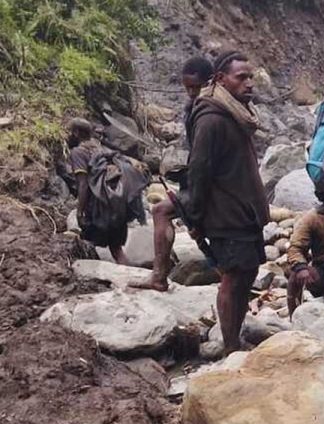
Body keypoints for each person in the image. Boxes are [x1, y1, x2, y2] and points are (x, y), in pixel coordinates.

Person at [185, 50, 269, 354]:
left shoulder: (235, 112)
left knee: (247, 274)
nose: (249, 84)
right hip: (227, 214)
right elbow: (199, 170)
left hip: (243, 211)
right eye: (241, 77)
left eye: (251, 77)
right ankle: (230, 346)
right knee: (232, 279)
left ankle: (236, 336)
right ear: (221, 79)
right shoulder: (212, 118)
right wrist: (194, 217)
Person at [131, 56, 214, 291]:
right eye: (187, 87)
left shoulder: (208, 112)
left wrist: (196, 201)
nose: (190, 92)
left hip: (210, 186)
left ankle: (158, 277)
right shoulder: (198, 108)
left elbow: (204, 161)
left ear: (209, 82)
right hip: (200, 182)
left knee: (159, 211)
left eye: (195, 87)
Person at [66, 118, 130, 265]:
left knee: (87, 245)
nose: (67, 135)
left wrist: (80, 211)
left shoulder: (78, 152)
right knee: (117, 250)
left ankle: (92, 280)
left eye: (69, 132)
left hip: (97, 208)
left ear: (76, 133)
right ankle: (129, 278)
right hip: (116, 205)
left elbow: (83, 184)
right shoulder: (101, 149)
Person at [286, 205, 324, 317]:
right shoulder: (312, 219)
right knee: (295, 275)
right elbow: (295, 248)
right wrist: (301, 268)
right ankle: (293, 318)